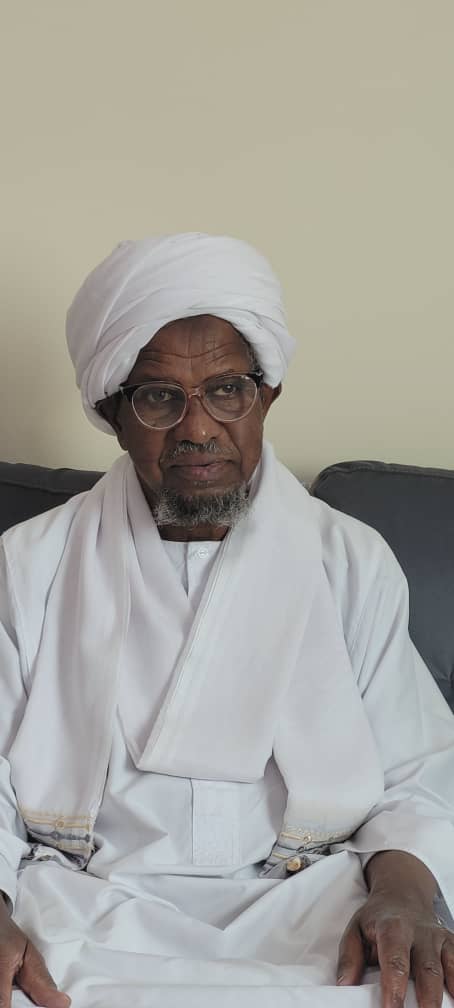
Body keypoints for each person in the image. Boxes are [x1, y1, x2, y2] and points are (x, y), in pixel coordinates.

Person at [1, 233, 454, 1008]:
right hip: (85, 905)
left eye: (226, 390)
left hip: (308, 904)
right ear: (113, 412)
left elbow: (417, 770)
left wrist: (407, 893)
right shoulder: (28, 564)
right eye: (158, 397)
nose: (198, 427)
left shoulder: (350, 559)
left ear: (266, 396)